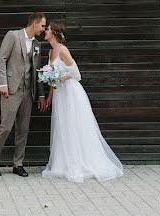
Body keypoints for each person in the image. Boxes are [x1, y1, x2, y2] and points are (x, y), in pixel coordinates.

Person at [41, 21, 123, 182]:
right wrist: (50, 95)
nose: (45, 31)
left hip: (71, 92)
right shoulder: (50, 52)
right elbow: (51, 79)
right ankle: (61, 164)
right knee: (62, 125)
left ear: (55, 33)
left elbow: (76, 73)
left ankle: (82, 161)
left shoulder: (63, 51)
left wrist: (58, 77)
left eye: (48, 29)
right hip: (59, 94)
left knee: (74, 125)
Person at [0, 11, 48, 177]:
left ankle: (18, 163)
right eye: (43, 25)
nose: (44, 29)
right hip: (10, 89)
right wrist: (3, 83)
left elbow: (37, 71)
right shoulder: (13, 36)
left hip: (28, 91)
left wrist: (41, 94)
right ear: (34, 23)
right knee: (6, 127)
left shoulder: (37, 45)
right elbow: (1, 59)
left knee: (23, 129)